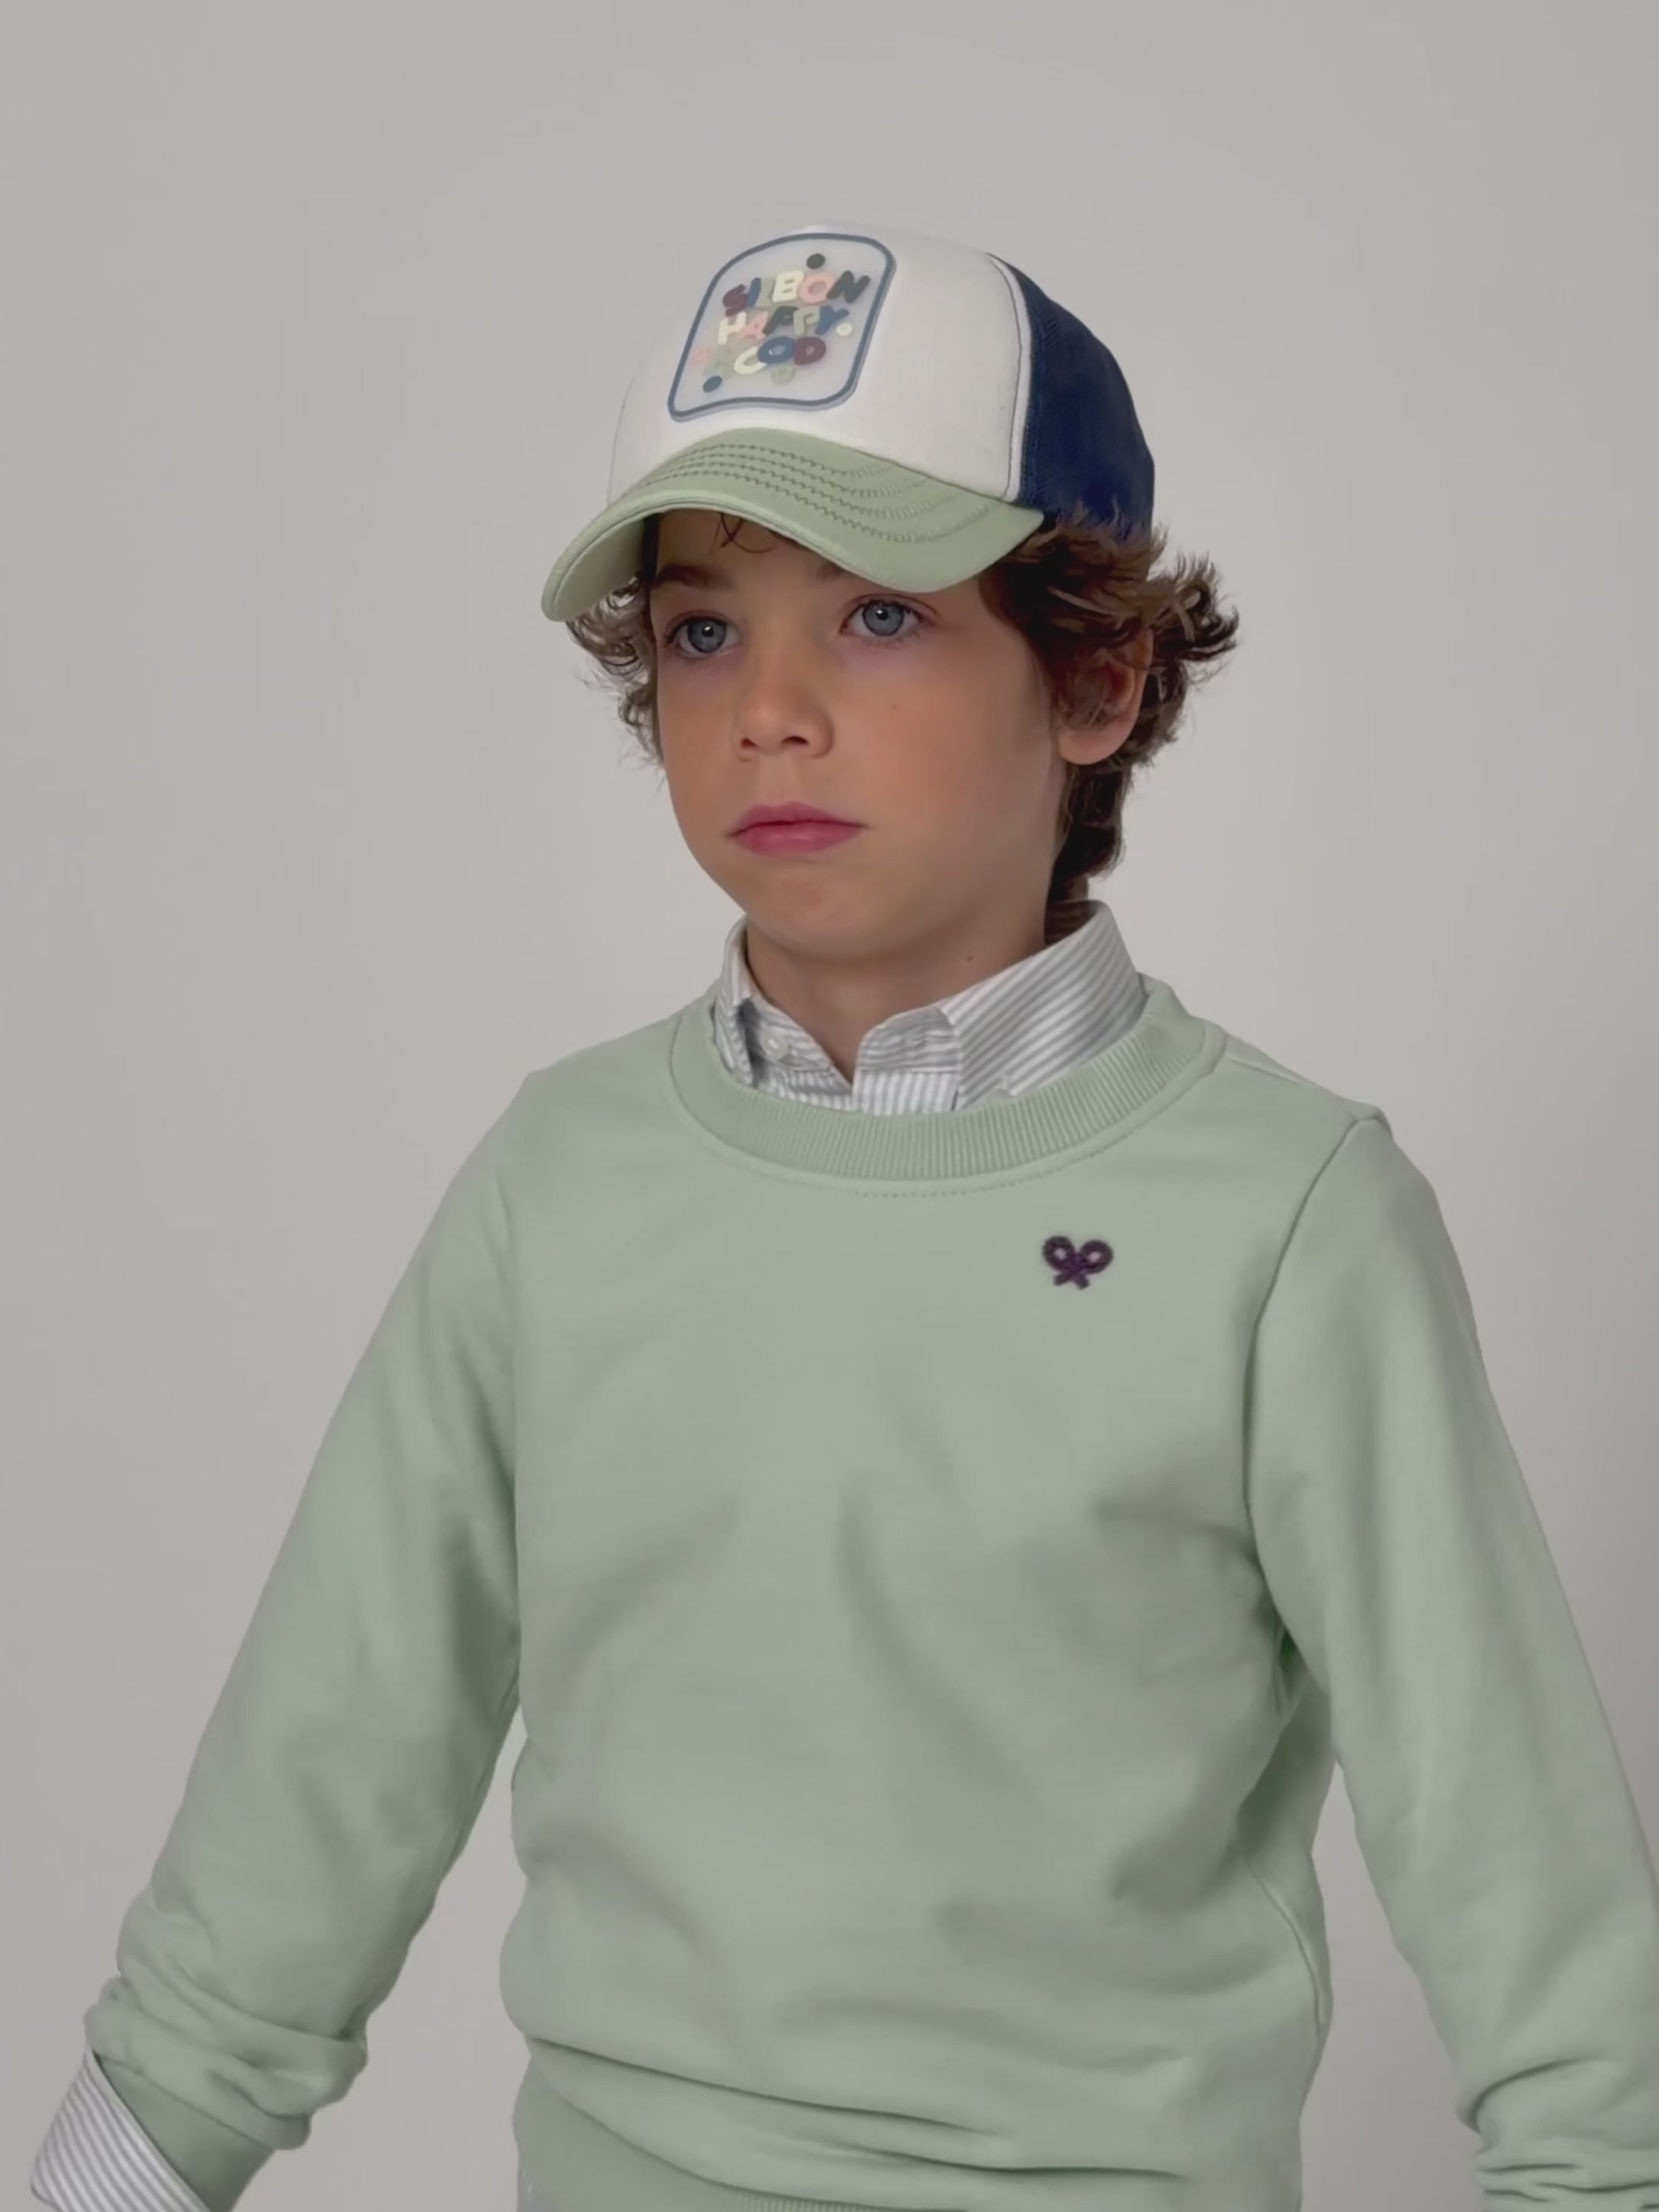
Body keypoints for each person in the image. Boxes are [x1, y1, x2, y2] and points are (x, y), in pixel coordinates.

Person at [30, 217, 1659, 2212]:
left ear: (1098, 675)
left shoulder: (1289, 1217)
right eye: (702, 629)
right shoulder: (564, 1182)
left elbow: (1523, 1877)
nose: (767, 710)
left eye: (878, 614)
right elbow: (328, 1766)